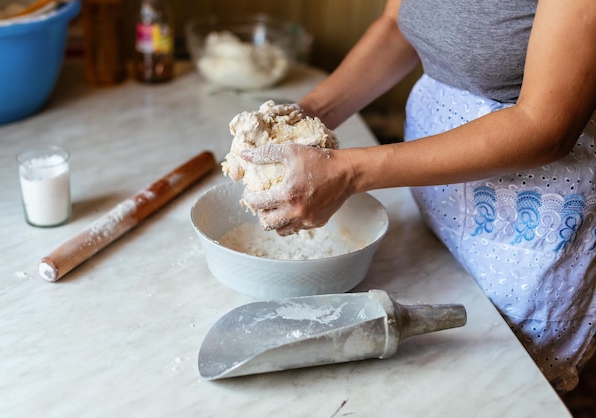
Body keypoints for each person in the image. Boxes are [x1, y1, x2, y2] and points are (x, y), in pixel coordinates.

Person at [239, 0, 596, 393]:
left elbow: (545, 126)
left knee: (496, 385)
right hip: (434, 199)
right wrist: (304, 117)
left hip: (524, 225)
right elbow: (399, 25)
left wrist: (349, 173)